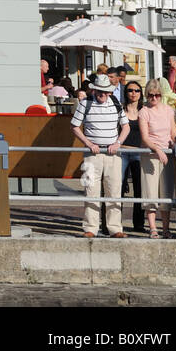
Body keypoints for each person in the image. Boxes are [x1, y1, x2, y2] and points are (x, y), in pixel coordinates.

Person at [70, 74, 129, 239]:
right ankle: (90, 228)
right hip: (92, 154)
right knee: (91, 191)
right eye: (99, 91)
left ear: (110, 91)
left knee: (114, 191)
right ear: (94, 90)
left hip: (113, 154)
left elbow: (126, 126)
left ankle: (115, 228)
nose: (102, 94)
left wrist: (118, 143)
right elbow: (74, 126)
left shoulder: (116, 104)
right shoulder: (85, 103)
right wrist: (89, 144)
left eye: (106, 91)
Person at [138, 79, 176, 238]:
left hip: (167, 155)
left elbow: (173, 132)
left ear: (162, 95)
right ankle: (153, 228)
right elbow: (145, 137)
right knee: (151, 192)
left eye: (157, 95)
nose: (154, 98)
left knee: (166, 192)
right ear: (147, 95)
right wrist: (157, 150)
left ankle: (166, 228)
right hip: (150, 155)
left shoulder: (169, 110)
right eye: (151, 95)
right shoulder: (144, 111)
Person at [119, 81, 145, 234]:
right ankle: (116, 222)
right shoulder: (120, 110)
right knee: (119, 187)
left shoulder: (144, 110)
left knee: (139, 189)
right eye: (130, 90)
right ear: (126, 92)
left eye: (137, 90)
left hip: (139, 152)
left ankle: (139, 223)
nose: (133, 93)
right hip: (122, 151)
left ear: (140, 93)